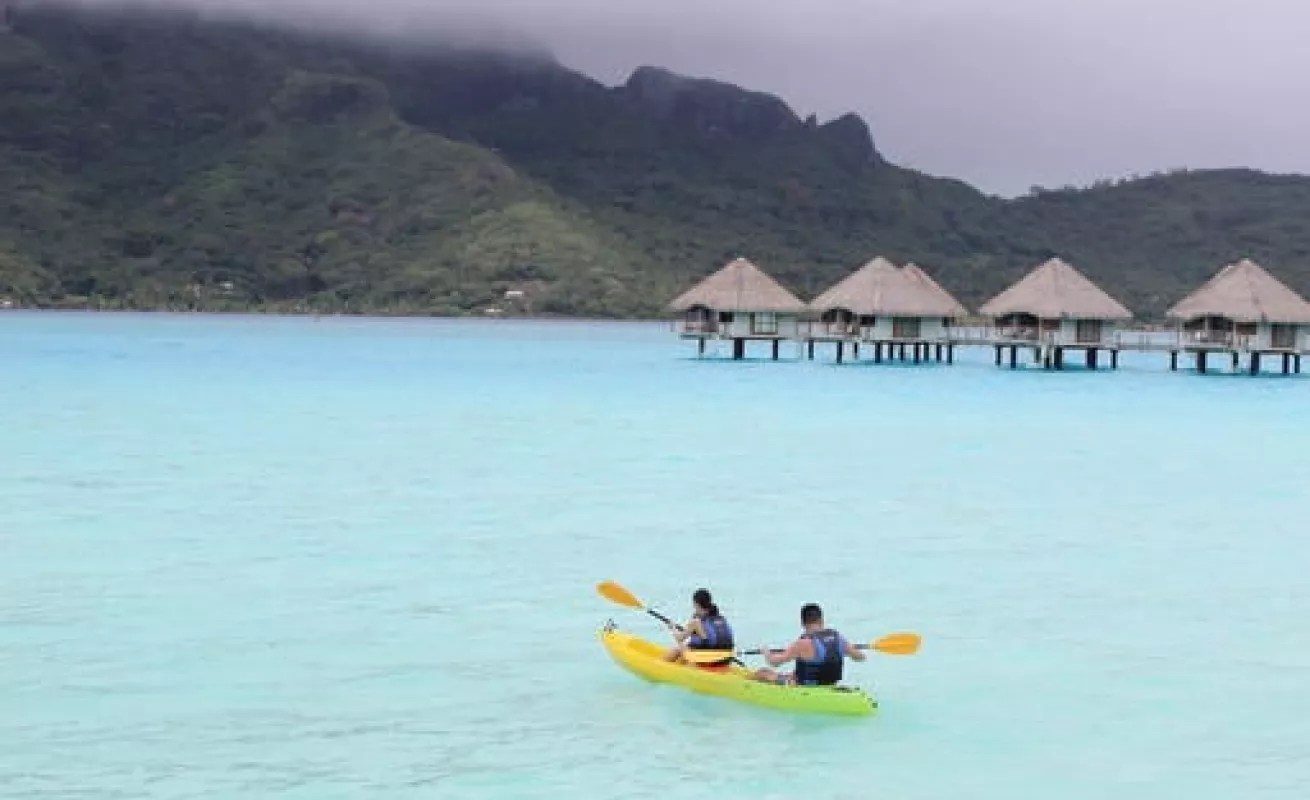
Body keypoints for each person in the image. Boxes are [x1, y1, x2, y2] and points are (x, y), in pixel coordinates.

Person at [752, 602, 864, 685]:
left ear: (803, 623)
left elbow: (774, 663)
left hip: (805, 686)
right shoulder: (838, 638)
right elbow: (861, 657)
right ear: (822, 620)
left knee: (763, 672)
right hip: (830, 683)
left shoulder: (802, 643)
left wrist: (766, 652)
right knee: (793, 673)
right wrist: (844, 650)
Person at [662, 588, 735, 669]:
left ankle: (660, 666)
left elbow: (679, 638)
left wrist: (672, 627)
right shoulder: (720, 619)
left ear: (696, 604)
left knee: (679, 649)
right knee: (687, 652)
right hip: (724, 660)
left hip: (708, 660)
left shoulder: (695, 622)